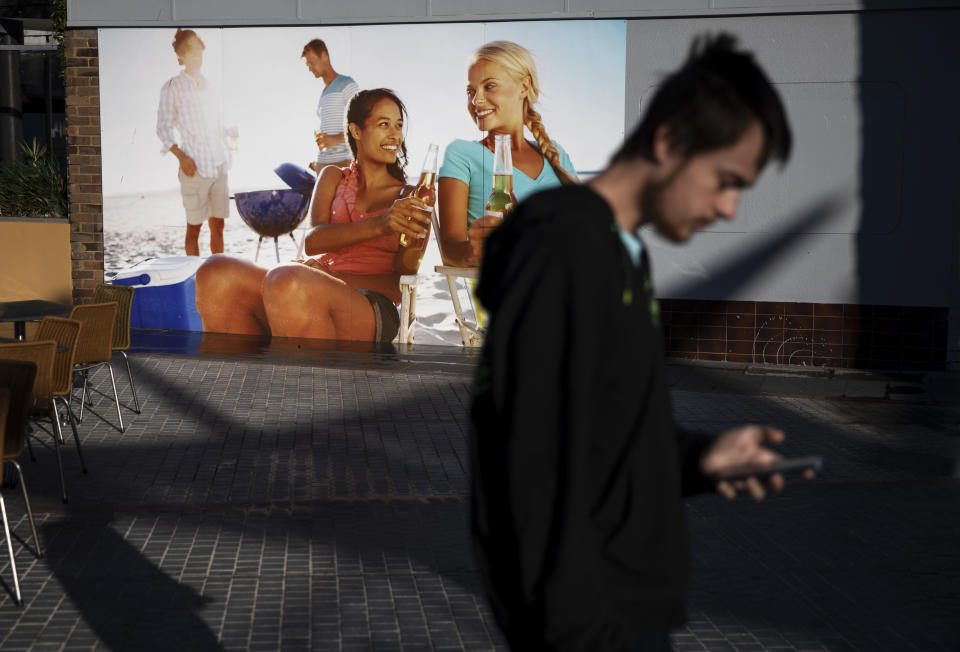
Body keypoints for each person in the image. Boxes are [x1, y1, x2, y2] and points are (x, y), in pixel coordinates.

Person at [470, 33, 802, 651]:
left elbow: (609, 429)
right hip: (586, 616)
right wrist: (563, 622)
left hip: (624, 602)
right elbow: (522, 450)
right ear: (671, 144)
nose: (729, 208)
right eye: (726, 180)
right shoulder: (564, 246)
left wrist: (703, 459)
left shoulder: (623, 254)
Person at [194, 89, 430, 342]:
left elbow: (400, 286)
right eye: (384, 124)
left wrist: (329, 278)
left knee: (289, 282)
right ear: (356, 131)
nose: (395, 134)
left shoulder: (411, 198)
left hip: (370, 306)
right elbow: (314, 241)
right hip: (306, 283)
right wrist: (380, 224)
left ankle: (304, 379)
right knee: (216, 272)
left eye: (399, 125)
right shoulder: (332, 177)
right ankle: (242, 377)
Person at [437, 40, 578, 267]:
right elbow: (450, 251)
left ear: (523, 87)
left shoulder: (556, 154)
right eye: (470, 91)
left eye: (489, 86)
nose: (476, 100)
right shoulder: (461, 154)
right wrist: (474, 250)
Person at [157, 28, 236, 257]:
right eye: (190, 51)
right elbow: (163, 128)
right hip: (194, 169)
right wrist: (182, 158)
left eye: (199, 49)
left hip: (219, 165)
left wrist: (227, 130)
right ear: (180, 56)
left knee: (218, 227)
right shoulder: (172, 86)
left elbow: (211, 126)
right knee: (194, 228)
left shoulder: (210, 86)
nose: (196, 55)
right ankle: (196, 280)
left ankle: (217, 274)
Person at [302, 39, 360, 173]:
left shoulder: (347, 84)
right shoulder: (324, 92)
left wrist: (336, 139)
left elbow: (360, 122)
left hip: (343, 162)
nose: (309, 67)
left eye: (311, 62)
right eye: (307, 64)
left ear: (324, 56)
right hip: (323, 163)